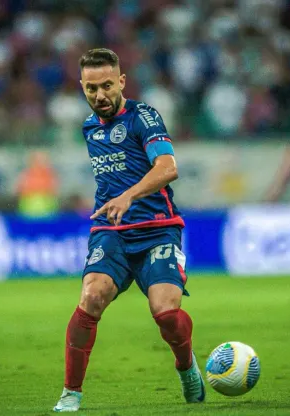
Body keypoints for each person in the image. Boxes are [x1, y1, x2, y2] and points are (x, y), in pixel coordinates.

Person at [53, 48, 204, 412]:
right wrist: (117, 203)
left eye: (106, 85)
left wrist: (128, 196)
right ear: (82, 88)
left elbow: (168, 168)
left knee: (167, 315)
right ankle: (71, 394)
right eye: (91, 89)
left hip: (157, 229)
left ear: (121, 81)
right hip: (112, 229)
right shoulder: (89, 126)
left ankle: (186, 366)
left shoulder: (144, 116)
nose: (100, 95)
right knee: (90, 298)